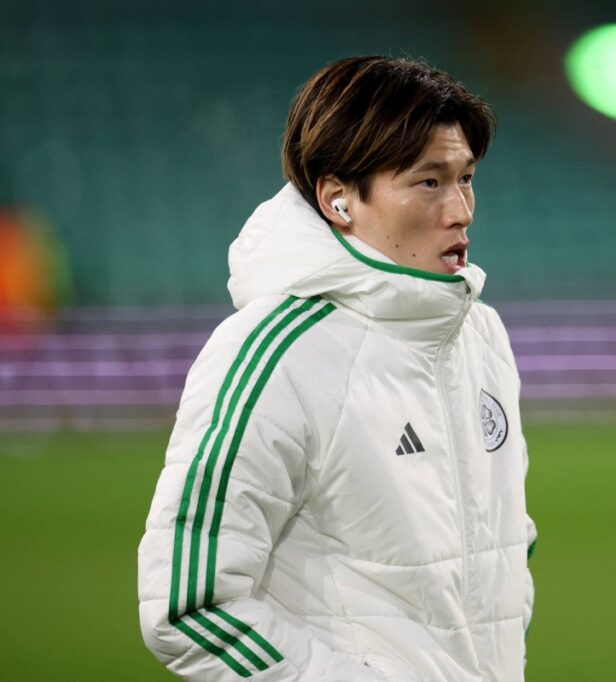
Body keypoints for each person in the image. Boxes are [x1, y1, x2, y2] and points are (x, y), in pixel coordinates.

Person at [138, 56, 537, 681]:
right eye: (429, 182)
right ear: (338, 199)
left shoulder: (480, 333)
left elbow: (506, 549)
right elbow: (189, 608)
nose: (461, 209)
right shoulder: (272, 352)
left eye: (466, 178)